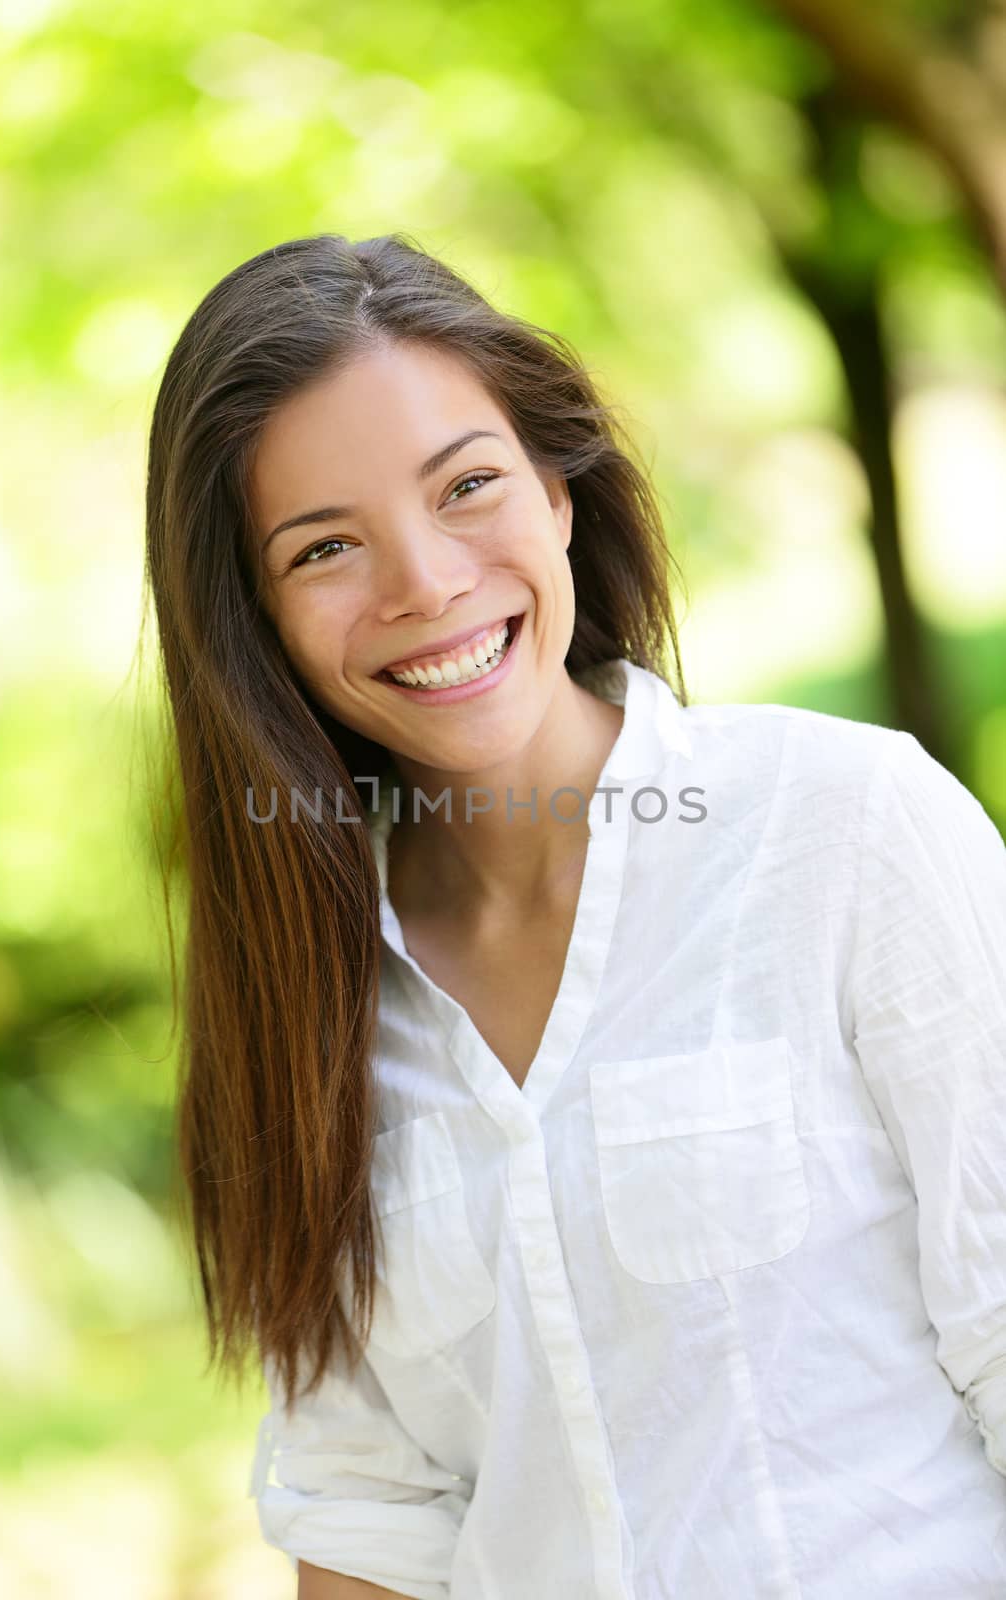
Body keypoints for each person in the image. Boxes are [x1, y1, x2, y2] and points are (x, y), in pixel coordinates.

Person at [143, 232, 1006, 1599]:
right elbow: (370, 1512)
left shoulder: (846, 829)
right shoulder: (306, 1001)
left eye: (467, 486)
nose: (424, 584)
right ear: (257, 623)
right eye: (324, 549)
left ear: (558, 490)